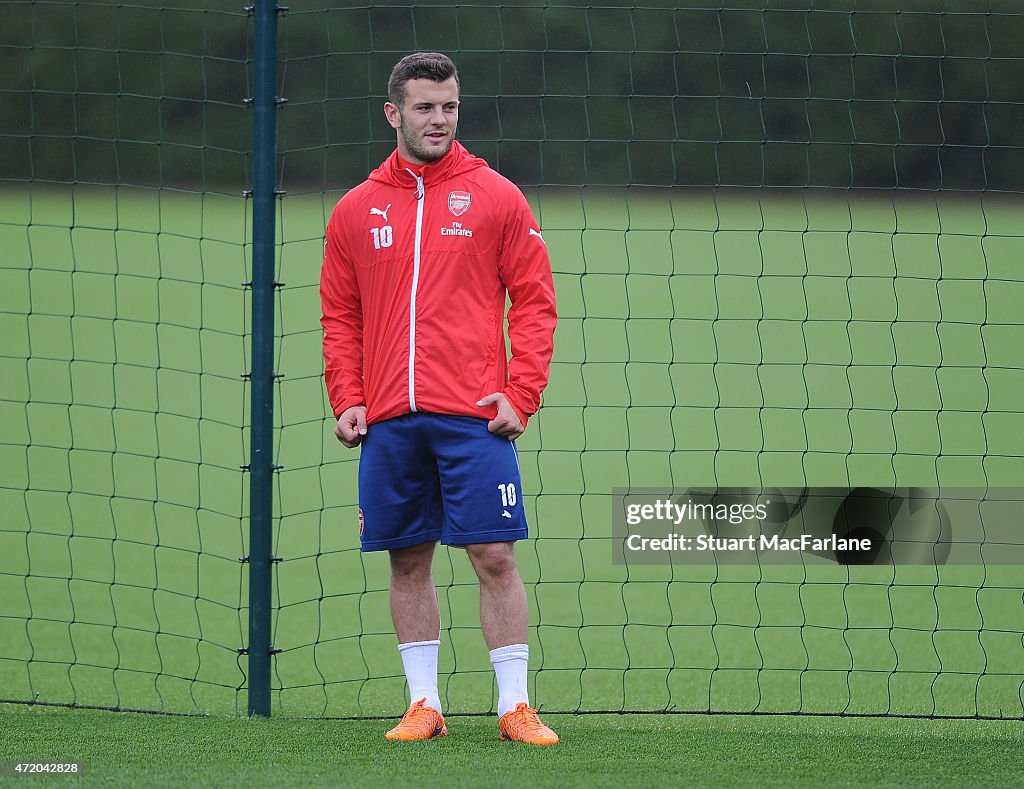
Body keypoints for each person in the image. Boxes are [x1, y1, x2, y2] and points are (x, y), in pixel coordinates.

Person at [320, 52, 559, 745]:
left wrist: (522, 393)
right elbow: (341, 314)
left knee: (494, 555)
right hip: (391, 420)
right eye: (425, 107)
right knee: (408, 559)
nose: (439, 119)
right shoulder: (355, 210)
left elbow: (536, 302)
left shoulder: (497, 196)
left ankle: (514, 705)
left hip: (474, 418)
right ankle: (424, 704)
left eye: (449, 106)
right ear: (394, 113)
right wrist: (349, 395)